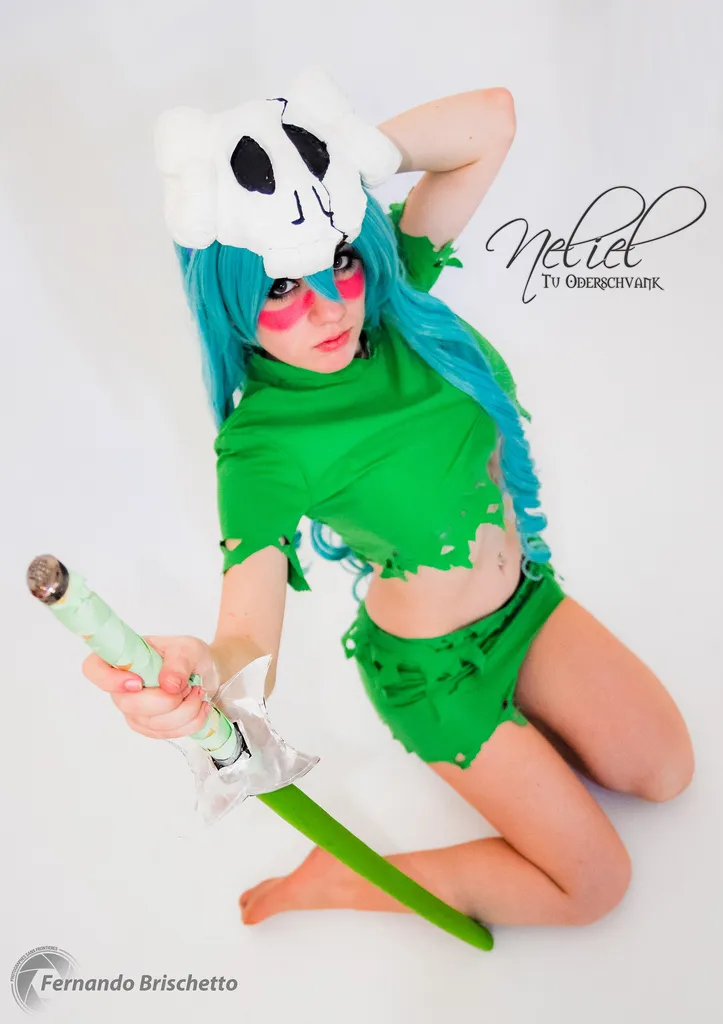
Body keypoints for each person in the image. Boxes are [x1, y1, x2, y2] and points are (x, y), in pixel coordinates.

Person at [83, 82, 694, 931]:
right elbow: (248, 637)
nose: (329, 306)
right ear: (229, 298)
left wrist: (332, 169)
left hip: (525, 605)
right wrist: (204, 675)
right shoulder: (262, 445)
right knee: (596, 886)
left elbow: (489, 123)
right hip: (435, 672)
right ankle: (338, 879)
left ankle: (533, 732)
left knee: (665, 774)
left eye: (337, 259)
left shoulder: (389, 293)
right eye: (280, 286)